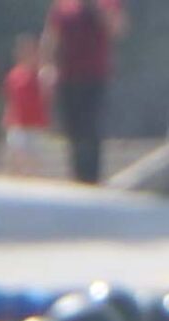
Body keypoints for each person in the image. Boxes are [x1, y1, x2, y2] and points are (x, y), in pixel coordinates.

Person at [42, 0, 123, 184]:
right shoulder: (64, 5)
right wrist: (47, 66)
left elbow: (117, 29)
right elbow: (51, 34)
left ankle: (92, 178)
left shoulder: (108, 3)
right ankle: (77, 177)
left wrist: (97, 9)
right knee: (72, 130)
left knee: (91, 129)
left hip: (95, 78)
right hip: (67, 77)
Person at [1, 31, 53, 175]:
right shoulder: (14, 75)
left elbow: (48, 94)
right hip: (17, 125)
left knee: (33, 164)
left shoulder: (43, 74)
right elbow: (10, 99)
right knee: (17, 157)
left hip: (35, 127)